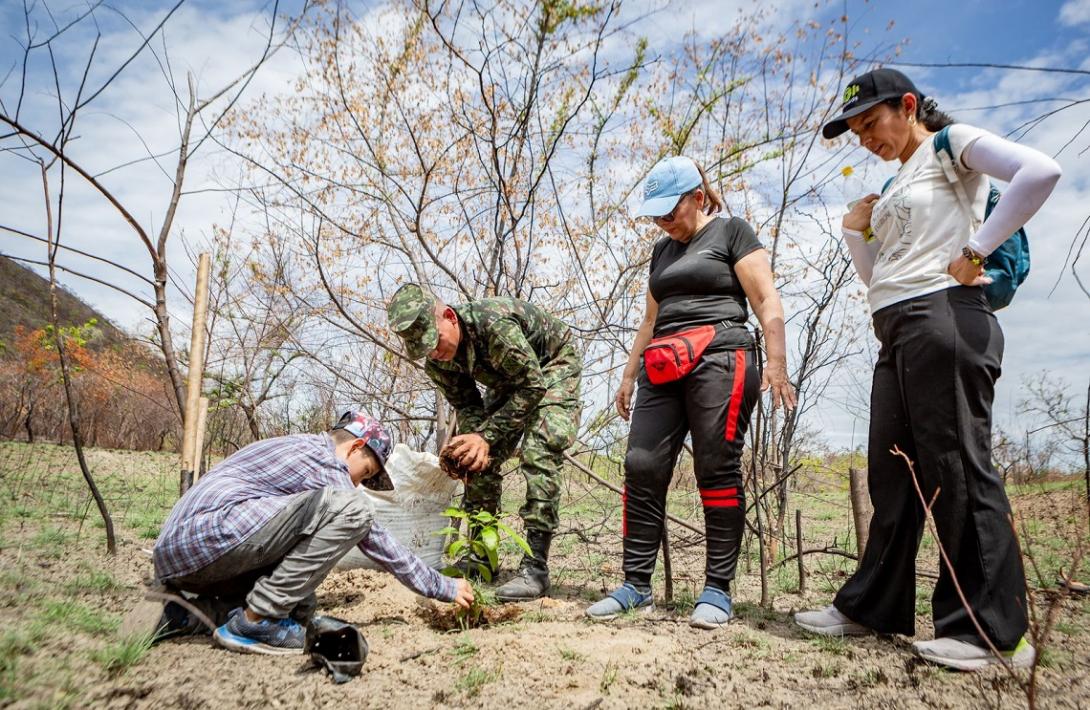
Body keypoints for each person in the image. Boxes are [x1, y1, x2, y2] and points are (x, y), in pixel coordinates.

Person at [794, 68, 1062, 671]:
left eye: (871, 123)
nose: (865, 138)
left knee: (957, 465)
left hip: (945, 317)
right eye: (856, 131)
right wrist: (856, 232)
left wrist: (976, 250)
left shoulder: (951, 144)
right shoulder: (897, 185)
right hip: (896, 325)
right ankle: (873, 608)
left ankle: (991, 634)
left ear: (908, 106)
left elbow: (1040, 172)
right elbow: (877, 277)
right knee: (894, 472)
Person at [585, 156, 796, 628]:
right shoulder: (662, 252)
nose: (662, 221)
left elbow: (765, 297)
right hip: (662, 365)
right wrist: (626, 375)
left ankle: (717, 589)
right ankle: (636, 585)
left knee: (715, 464)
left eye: (669, 211)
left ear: (698, 197)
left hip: (722, 356)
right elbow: (649, 319)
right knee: (641, 464)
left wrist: (777, 361)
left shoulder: (732, 233)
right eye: (655, 214)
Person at [148, 411, 473, 655]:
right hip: (211, 536)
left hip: (185, 554)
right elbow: (376, 539)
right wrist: (440, 585)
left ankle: (186, 614)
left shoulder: (301, 449)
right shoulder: (325, 462)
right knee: (356, 510)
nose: (359, 484)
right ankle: (255, 622)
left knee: (301, 608)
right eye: (367, 472)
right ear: (355, 448)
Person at [386, 284, 582, 601]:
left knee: (539, 451)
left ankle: (535, 569)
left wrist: (486, 436)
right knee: (473, 461)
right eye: (424, 349)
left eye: (434, 341)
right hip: (511, 380)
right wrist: (474, 444)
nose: (434, 352)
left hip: (550, 367)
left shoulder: (494, 325)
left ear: (449, 316)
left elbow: (533, 386)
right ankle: (482, 559)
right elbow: (468, 407)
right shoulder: (438, 362)